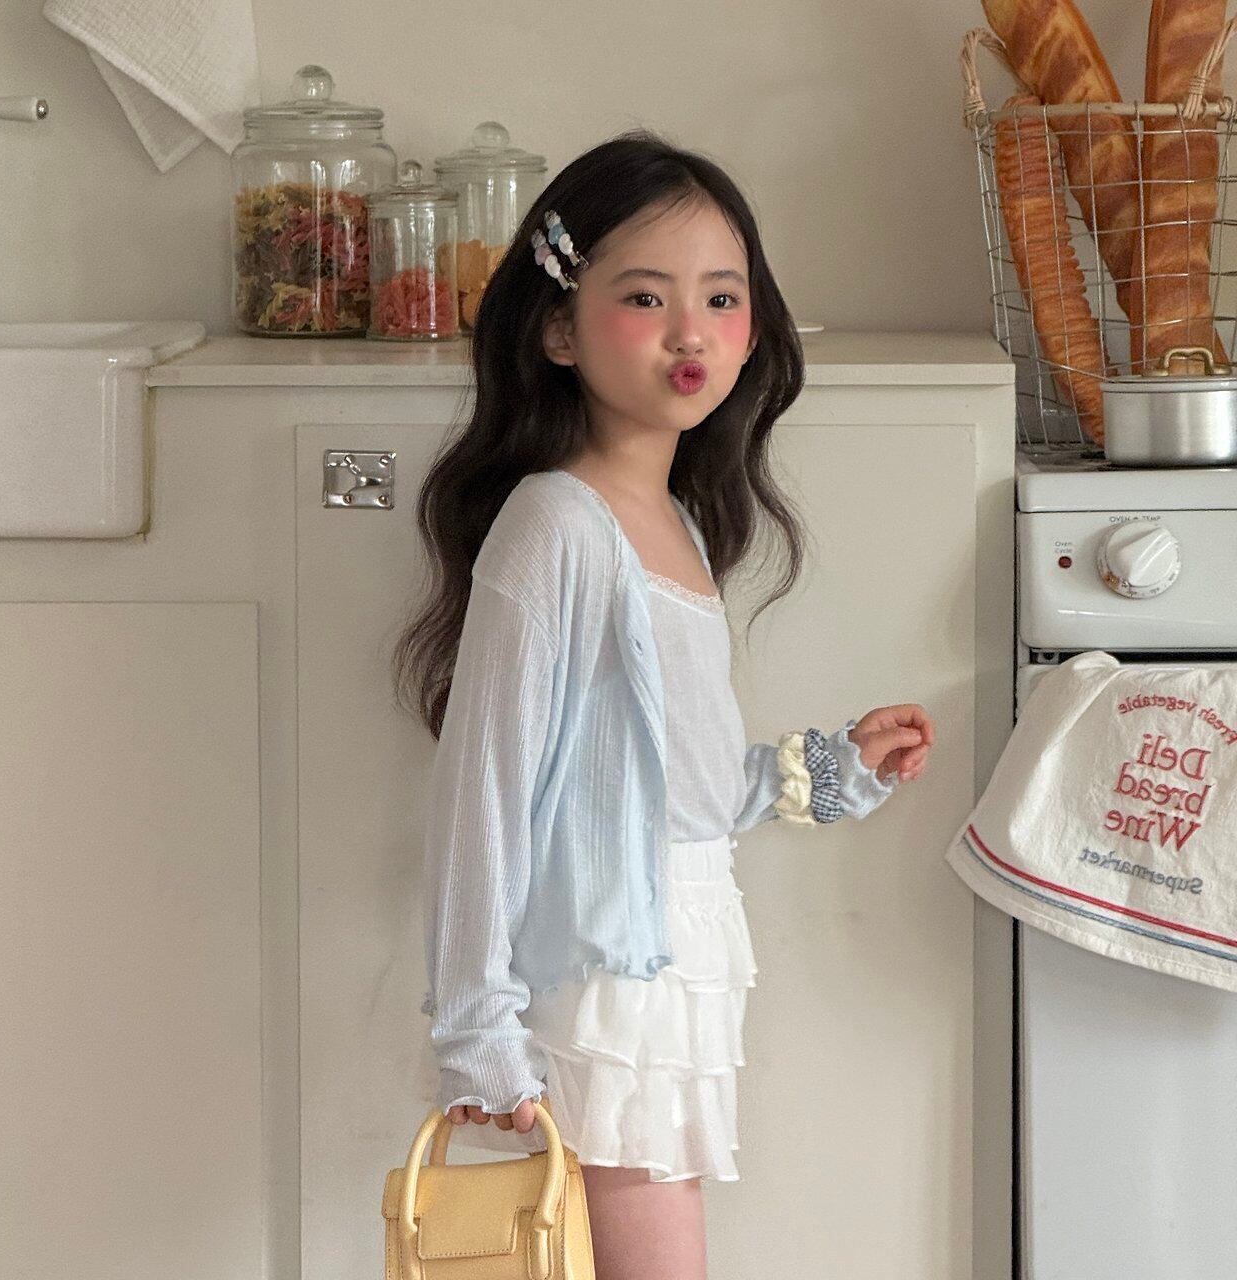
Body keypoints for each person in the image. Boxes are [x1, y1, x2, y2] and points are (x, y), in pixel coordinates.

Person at [391, 128, 936, 1279]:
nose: (690, 331)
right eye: (645, 297)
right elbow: (480, 793)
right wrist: (476, 1027)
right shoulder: (554, 525)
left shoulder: (678, 524)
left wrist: (828, 768)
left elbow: (676, 785)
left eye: (720, 298)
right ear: (558, 327)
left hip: (677, 957)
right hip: (604, 979)